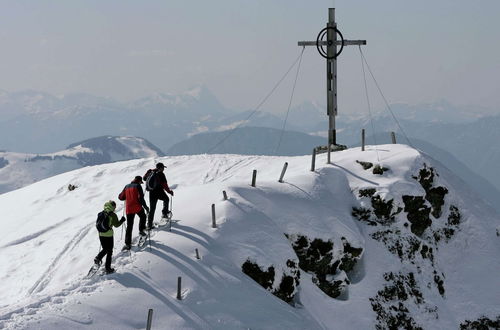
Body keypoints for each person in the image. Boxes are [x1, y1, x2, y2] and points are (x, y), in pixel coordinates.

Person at [118, 176, 150, 250]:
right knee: (143, 216)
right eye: (140, 182)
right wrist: (146, 207)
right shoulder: (137, 186)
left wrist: (126, 195)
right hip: (137, 207)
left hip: (129, 209)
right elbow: (141, 198)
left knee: (129, 226)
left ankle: (127, 244)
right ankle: (141, 230)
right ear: (139, 181)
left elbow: (121, 197)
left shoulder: (126, 186)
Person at [94, 200, 125, 274]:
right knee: (109, 251)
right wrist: (122, 220)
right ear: (113, 206)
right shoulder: (113, 215)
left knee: (105, 248)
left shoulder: (101, 213)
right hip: (109, 235)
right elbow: (116, 225)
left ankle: (98, 258)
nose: (115, 209)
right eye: (115, 207)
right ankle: (107, 268)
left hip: (101, 234)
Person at [144, 162, 174, 229]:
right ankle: (164, 214)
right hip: (159, 191)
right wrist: (169, 192)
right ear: (160, 168)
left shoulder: (151, 172)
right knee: (166, 199)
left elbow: (144, 179)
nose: (164, 169)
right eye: (163, 168)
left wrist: (148, 172)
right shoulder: (161, 174)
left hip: (151, 193)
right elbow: (165, 185)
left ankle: (149, 224)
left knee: (152, 209)